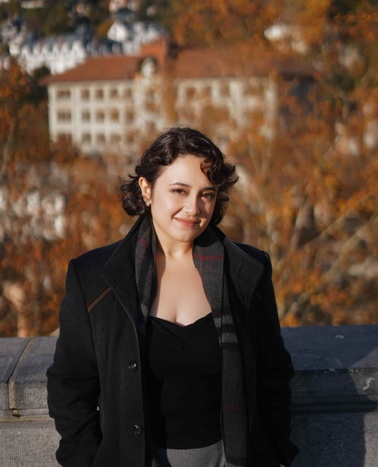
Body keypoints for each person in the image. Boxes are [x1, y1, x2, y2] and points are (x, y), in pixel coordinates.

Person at [47, 126, 299, 467]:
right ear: (146, 189)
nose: (193, 208)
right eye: (179, 190)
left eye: (206, 194)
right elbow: (70, 386)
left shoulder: (247, 271)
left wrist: (277, 453)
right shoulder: (94, 278)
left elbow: (273, 374)